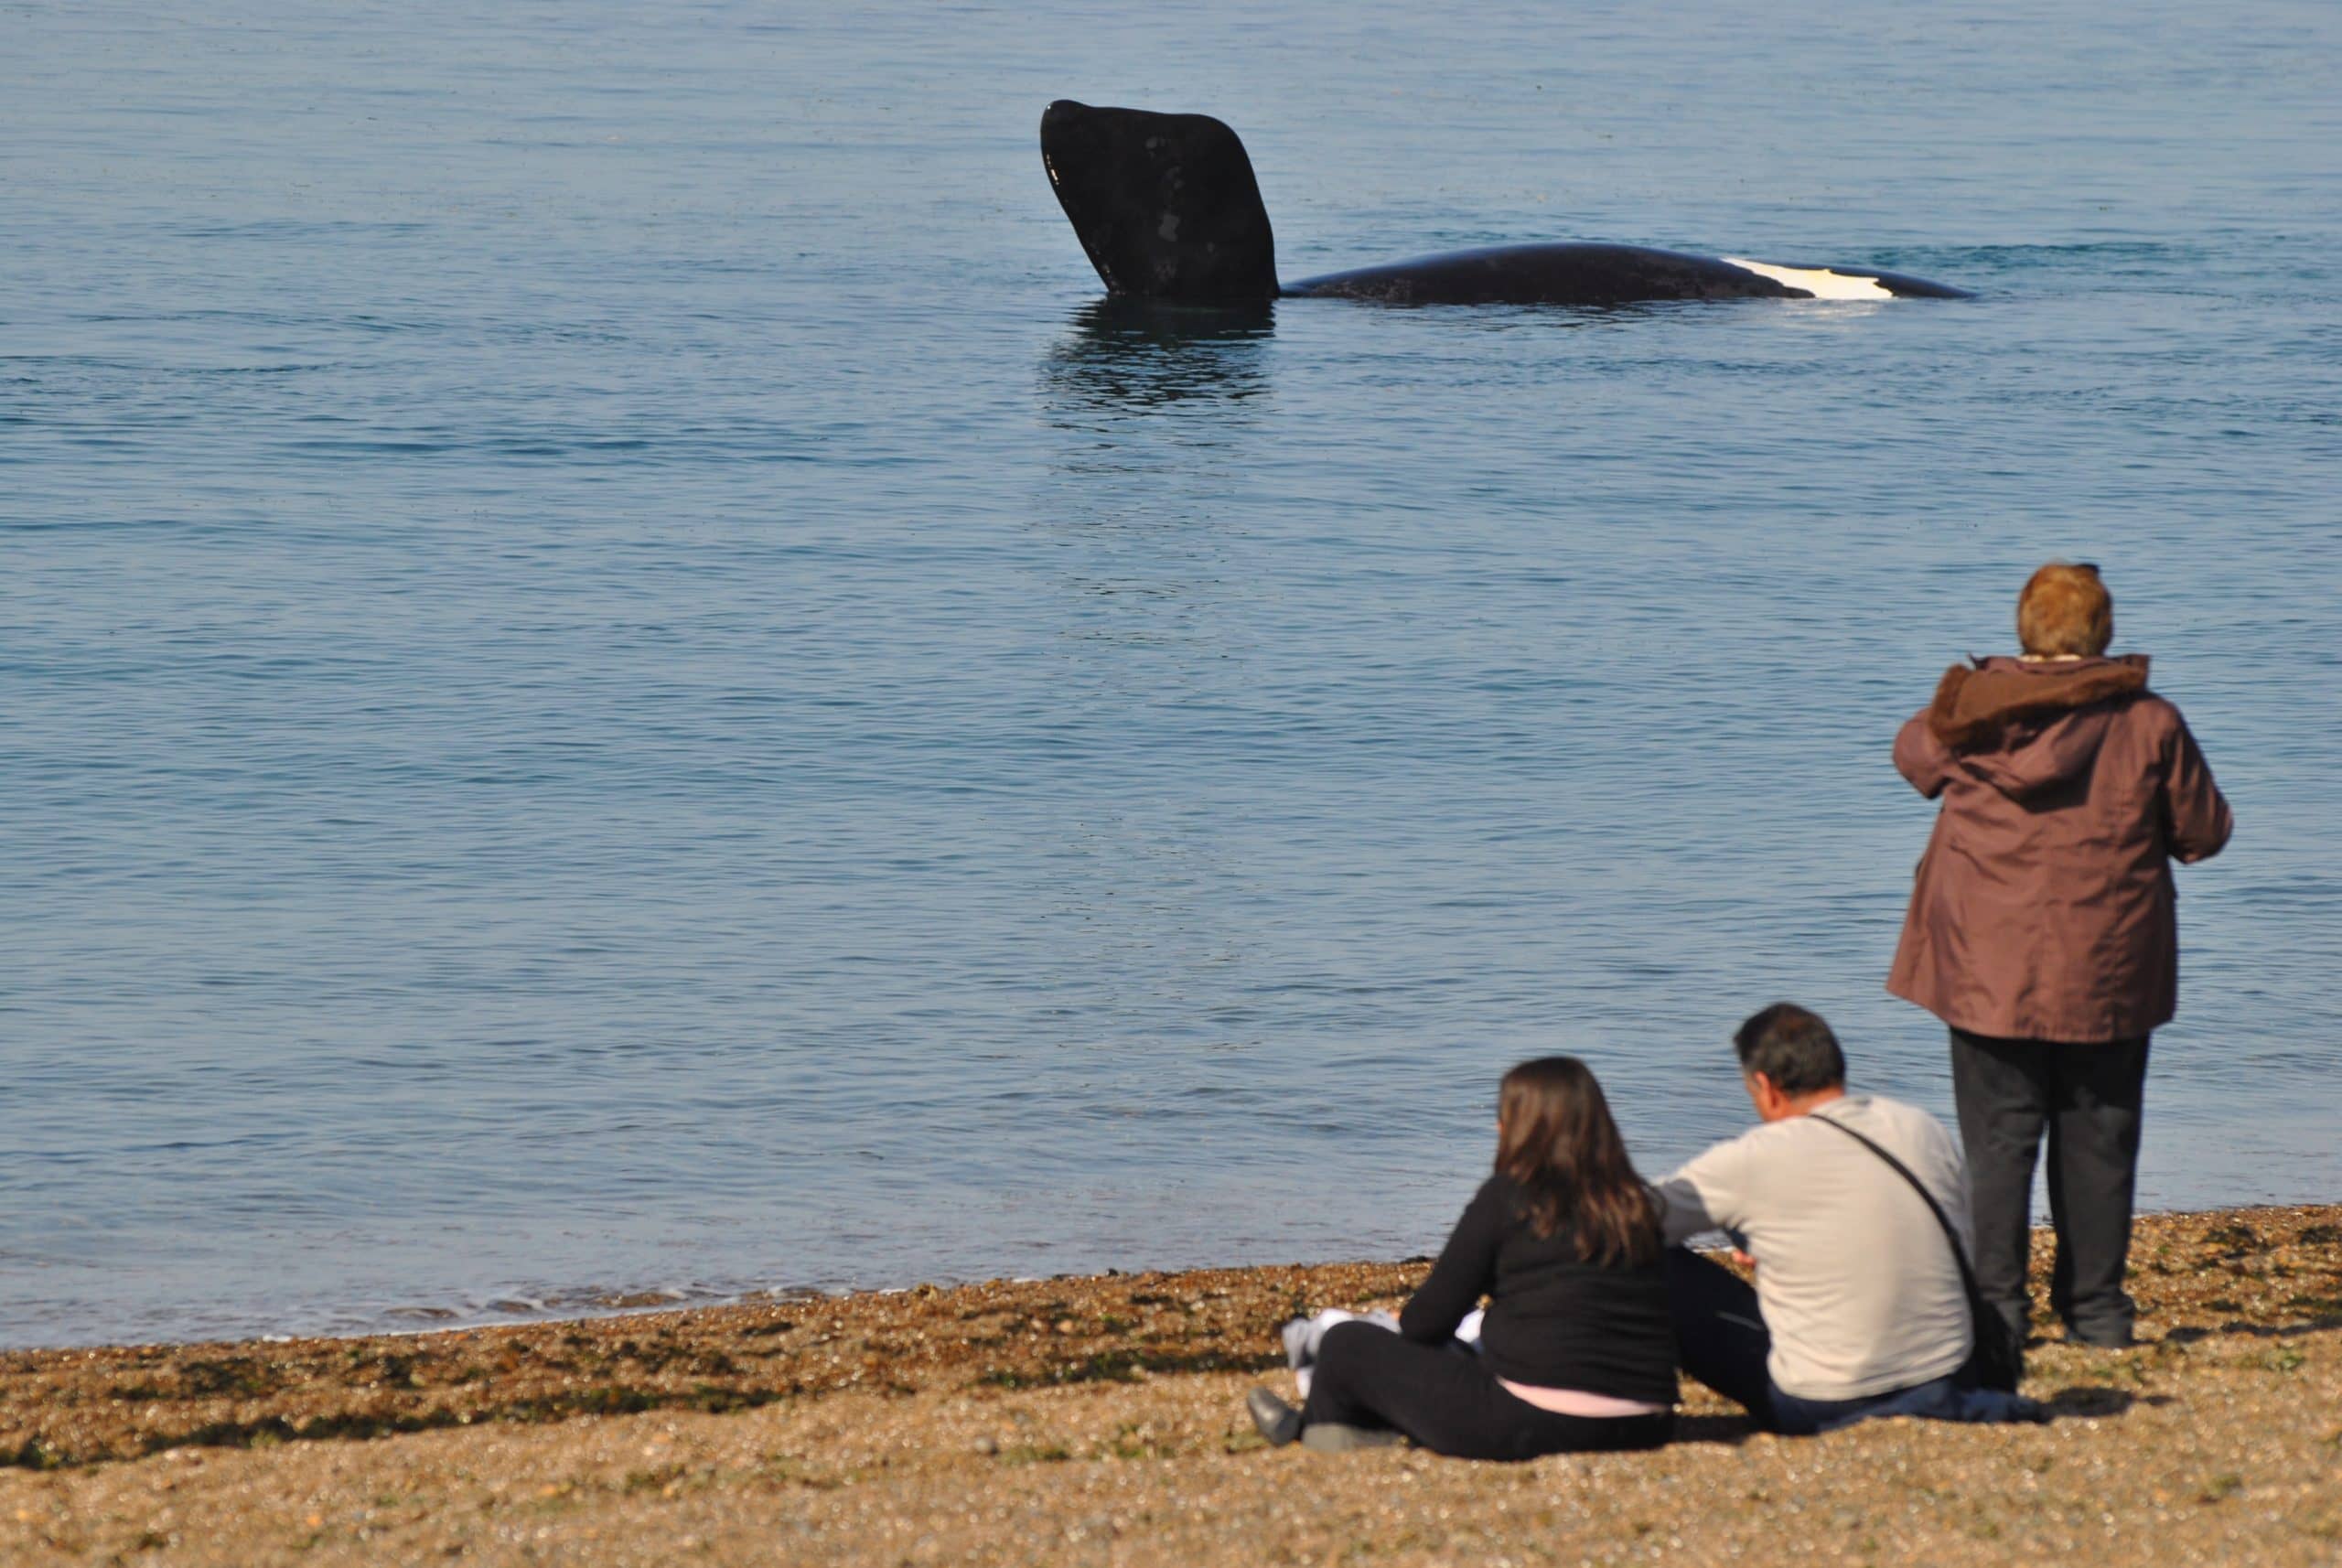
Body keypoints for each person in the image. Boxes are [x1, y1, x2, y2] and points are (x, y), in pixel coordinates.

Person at [1888, 562, 2232, 1348]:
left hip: (1985, 967)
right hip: (2107, 965)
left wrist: (1959, 707)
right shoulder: (2149, 722)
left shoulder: (1969, 712)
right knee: (2099, 1140)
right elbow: (2204, 832)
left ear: (2024, 630)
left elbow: (1910, 757)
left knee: (1998, 1145)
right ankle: (2098, 1312)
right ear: (2102, 633)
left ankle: (1999, 1316)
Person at [1245, 1058, 1676, 1459]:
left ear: (1522, 1127)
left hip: (1541, 1421)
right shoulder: (1636, 1205)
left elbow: (1425, 1323)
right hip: (1647, 1424)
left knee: (1346, 1344)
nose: (1496, 1126)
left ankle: (1320, 1430)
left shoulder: (1508, 1198)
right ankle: (1335, 1429)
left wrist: (1404, 1322)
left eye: (1505, 1116)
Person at [1656, 1004, 2040, 1435]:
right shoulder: (1920, 1128)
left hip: (1822, 1402)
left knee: (1654, 1263)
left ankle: (1627, 1405)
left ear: (1766, 1086)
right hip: (1950, 1374)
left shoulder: (1755, 1158)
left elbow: (1627, 1217)